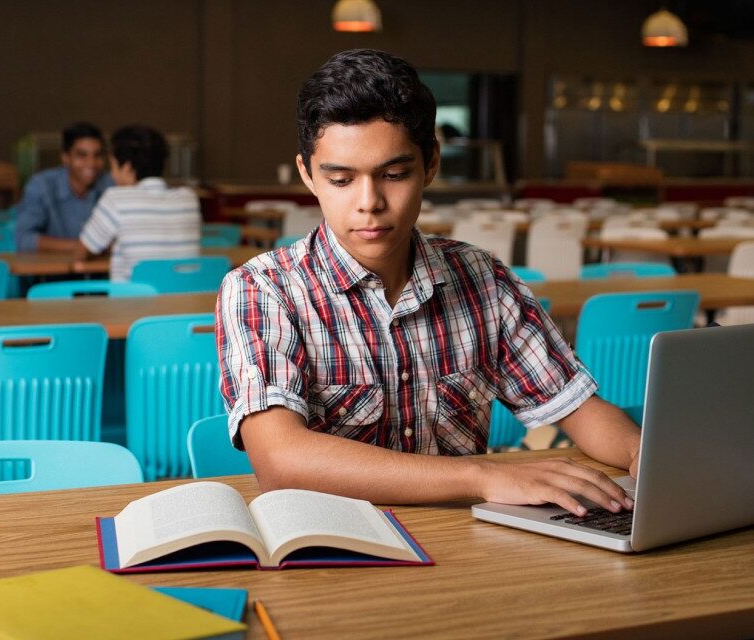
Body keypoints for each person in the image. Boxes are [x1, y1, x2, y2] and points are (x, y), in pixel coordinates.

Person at [216, 49, 641, 515]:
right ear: (308, 175)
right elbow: (282, 461)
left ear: (431, 165)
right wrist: (483, 475)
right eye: (340, 180)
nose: (369, 203)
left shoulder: (483, 279)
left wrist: (644, 454)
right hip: (335, 553)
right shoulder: (263, 290)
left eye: (394, 175)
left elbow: (576, 407)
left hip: (465, 550)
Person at [77, 125, 200, 281]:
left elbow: (81, 252)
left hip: (134, 303)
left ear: (127, 168)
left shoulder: (116, 199)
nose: (111, 174)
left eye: (113, 166)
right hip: (186, 302)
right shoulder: (189, 198)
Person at [14, 122, 113, 253]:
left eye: (97, 155)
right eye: (82, 155)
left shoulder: (111, 185)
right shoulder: (41, 186)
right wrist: (81, 247)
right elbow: (24, 239)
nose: (91, 163)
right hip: (51, 271)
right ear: (65, 158)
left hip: (101, 271)